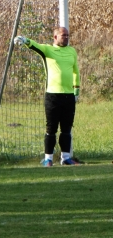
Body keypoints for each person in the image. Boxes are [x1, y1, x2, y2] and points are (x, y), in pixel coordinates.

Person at [14, 27, 80, 167]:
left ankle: (66, 158)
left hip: (68, 96)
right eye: (63, 35)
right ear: (55, 37)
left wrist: (77, 90)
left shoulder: (72, 51)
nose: (66, 37)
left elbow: (76, 71)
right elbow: (35, 45)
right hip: (52, 96)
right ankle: (48, 159)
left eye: (68, 35)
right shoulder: (48, 50)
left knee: (67, 128)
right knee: (51, 128)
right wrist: (25, 40)